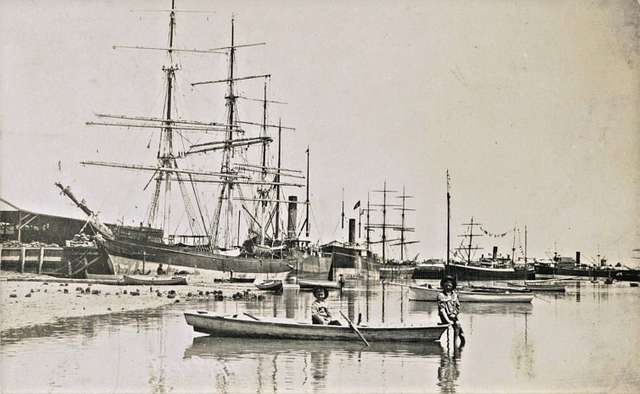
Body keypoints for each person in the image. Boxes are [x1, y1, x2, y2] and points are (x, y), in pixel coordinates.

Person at [437, 275, 465, 345]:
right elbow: (442, 310)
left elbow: (458, 307)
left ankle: (459, 348)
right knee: (457, 324)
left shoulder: (454, 295)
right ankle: (455, 344)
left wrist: (455, 313)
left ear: (453, 285)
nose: (448, 284)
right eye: (446, 282)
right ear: (443, 284)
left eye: (450, 283)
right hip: (445, 317)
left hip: (454, 316)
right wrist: (448, 320)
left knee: (462, 335)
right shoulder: (441, 295)